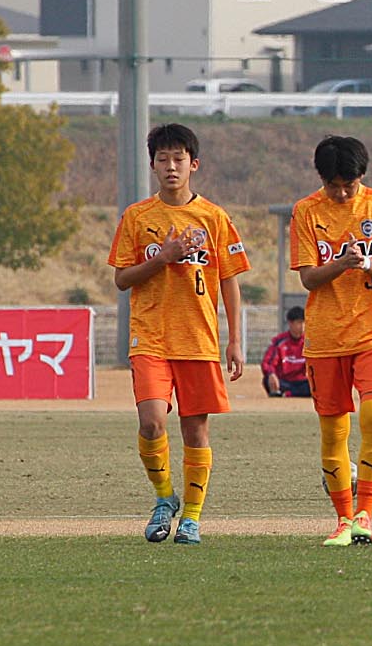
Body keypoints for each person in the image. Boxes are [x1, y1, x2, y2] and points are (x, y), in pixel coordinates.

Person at [110, 122, 249, 545]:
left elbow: (229, 280)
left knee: (195, 432)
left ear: (194, 164)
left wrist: (235, 338)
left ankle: (191, 516)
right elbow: (121, 279)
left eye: (179, 159)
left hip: (199, 339)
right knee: (152, 422)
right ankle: (163, 498)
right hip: (150, 336)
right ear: (152, 164)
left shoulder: (214, 217)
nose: (171, 166)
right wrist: (164, 257)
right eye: (163, 159)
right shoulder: (137, 217)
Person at [290, 135, 372, 546]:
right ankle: (342, 519)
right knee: (333, 432)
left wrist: (367, 262)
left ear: (363, 176)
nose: (342, 192)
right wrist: (341, 263)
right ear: (321, 179)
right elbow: (307, 277)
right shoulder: (306, 211)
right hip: (324, 337)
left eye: (350, 184)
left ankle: (365, 515)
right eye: (334, 185)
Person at [260, 308, 310, 397]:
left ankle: (287, 394)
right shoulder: (280, 341)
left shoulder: (308, 342)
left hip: (302, 382)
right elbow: (267, 362)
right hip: (284, 381)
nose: (302, 326)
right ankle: (285, 392)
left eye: (304, 322)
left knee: (316, 385)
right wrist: (271, 374)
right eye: (299, 322)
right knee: (267, 379)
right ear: (290, 323)